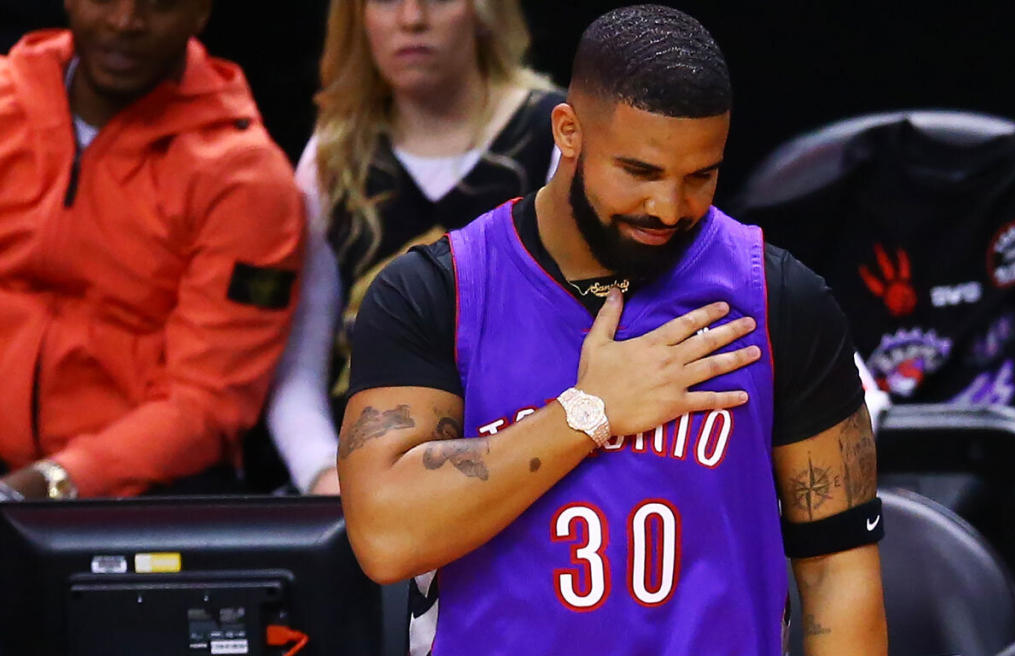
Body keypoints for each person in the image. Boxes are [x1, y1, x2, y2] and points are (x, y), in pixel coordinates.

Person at [339, 5, 887, 655]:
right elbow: (385, 536)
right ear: (567, 132)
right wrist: (589, 412)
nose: (667, 207)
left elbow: (836, 569)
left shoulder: (780, 299)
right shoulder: (435, 292)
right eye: (640, 172)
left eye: (699, 177)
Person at [0, 0, 304, 500]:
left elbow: (206, 403)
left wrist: (50, 484)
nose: (125, 22)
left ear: (201, 13)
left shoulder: (246, 180)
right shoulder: (11, 102)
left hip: (144, 490)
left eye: (159, 5)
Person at [266, 0, 562, 495]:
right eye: (385, 1)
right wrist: (323, 476)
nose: (411, 19)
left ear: (483, 10)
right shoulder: (332, 156)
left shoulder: (555, 137)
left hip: (518, 472)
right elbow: (297, 368)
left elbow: (580, 347)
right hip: (368, 485)